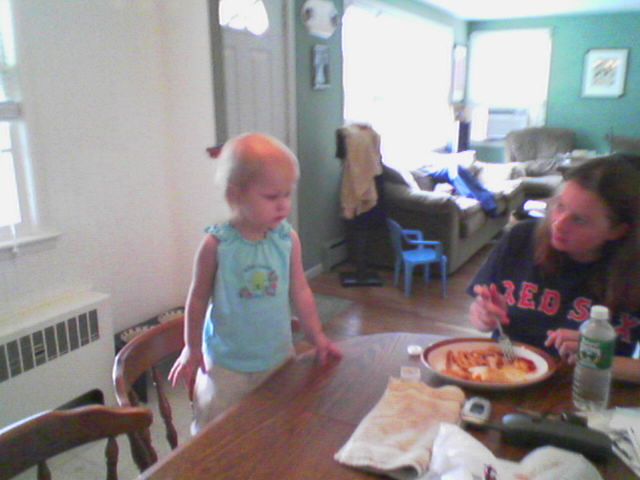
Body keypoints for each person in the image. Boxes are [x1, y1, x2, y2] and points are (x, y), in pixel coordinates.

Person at [168, 133, 342, 433]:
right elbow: (197, 299)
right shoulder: (216, 244)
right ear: (236, 195)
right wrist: (191, 347)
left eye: (287, 194)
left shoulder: (287, 240)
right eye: (272, 197)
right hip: (224, 366)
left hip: (277, 358)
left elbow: (300, 291)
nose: (283, 205)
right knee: (216, 432)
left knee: (271, 428)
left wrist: (316, 335)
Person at [468, 154, 640, 383]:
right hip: (506, 374)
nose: (558, 223)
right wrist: (483, 315)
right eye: (559, 206)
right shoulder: (521, 238)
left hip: (589, 389)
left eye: (579, 220)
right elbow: (479, 313)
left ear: (617, 231)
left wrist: (599, 358)